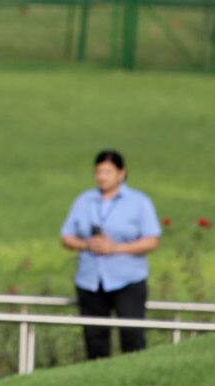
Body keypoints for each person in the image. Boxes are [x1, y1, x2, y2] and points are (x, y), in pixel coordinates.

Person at [60, 149, 161, 360]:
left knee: (132, 336)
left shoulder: (139, 202)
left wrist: (115, 248)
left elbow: (152, 240)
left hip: (127, 279)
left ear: (121, 173)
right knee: (94, 339)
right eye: (98, 172)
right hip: (91, 280)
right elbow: (66, 236)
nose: (102, 177)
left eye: (107, 171)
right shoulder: (85, 201)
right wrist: (87, 244)